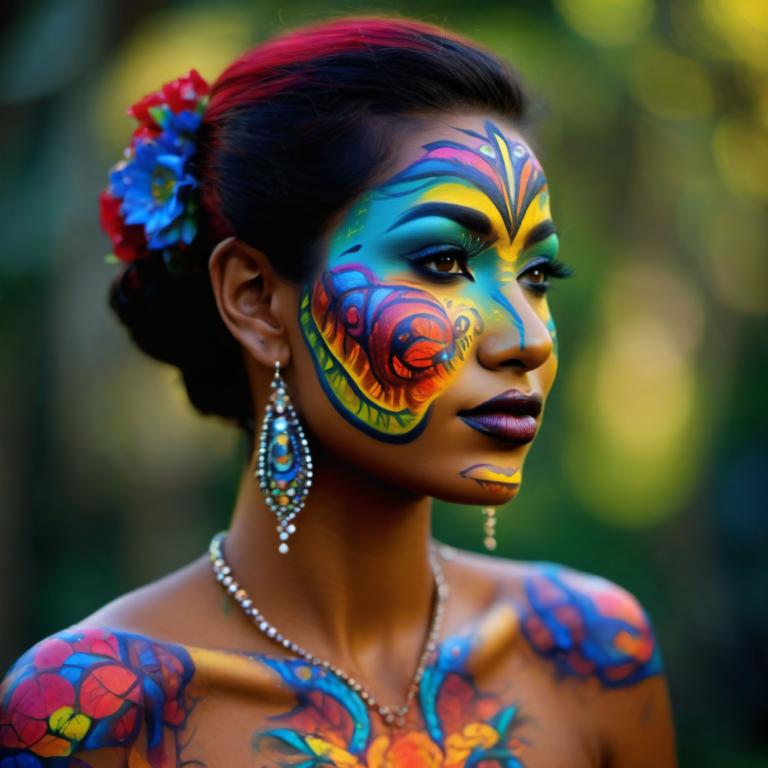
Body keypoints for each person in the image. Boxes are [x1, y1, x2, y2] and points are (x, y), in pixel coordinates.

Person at [0, 15, 677, 768]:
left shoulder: (588, 652)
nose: (529, 337)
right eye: (445, 262)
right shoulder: (99, 710)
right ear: (256, 299)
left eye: (538, 276)